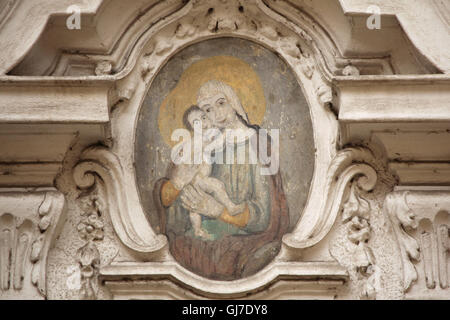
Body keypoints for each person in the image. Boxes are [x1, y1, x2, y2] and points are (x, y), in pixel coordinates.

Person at [155, 80, 289, 280]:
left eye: (221, 103)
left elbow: (264, 217)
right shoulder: (196, 147)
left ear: (233, 103)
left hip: (244, 242)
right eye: (207, 110)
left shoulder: (257, 144)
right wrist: (178, 184)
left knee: (233, 257)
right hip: (202, 238)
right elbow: (172, 208)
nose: (216, 114)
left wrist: (218, 211)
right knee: (181, 249)